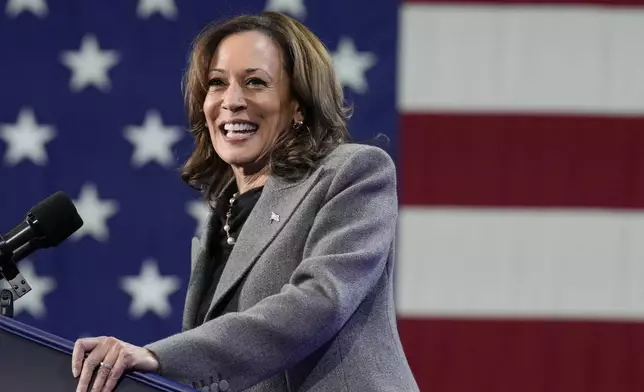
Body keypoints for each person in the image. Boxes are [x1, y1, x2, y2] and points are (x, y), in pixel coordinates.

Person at [71, 11, 419, 392]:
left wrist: (159, 357)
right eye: (217, 83)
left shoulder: (354, 171)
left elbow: (320, 300)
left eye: (255, 82)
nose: (232, 101)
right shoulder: (224, 213)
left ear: (298, 104)